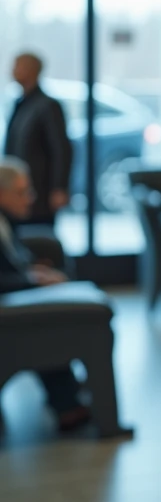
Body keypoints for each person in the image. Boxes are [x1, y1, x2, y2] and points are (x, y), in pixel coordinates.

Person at [0, 157, 91, 431]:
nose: (30, 198)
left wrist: (33, 271)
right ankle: (67, 404)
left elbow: (11, 260)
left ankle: (68, 396)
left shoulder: (6, 221)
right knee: (47, 325)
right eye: (22, 192)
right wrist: (32, 282)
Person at [4, 53, 73, 229]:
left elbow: (61, 149)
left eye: (17, 65)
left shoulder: (48, 106)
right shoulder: (21, 103)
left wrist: (59, 188)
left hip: (39, 191)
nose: (12, 70)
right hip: (17, 193)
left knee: (39, 236)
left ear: (32, 70)